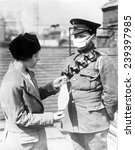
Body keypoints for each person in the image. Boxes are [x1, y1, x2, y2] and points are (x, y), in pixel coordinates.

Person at [0, 33, 66, 150]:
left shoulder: (25, 73)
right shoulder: (10, 82)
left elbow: (30, 98)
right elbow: (19, 118)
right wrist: (52, 117)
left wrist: (51, 86)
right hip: (22, 142)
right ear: (25, 56)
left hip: (33, 138)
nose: (38, 58)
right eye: (36, 56)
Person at [61, 18, 118, 150]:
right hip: (73, 121)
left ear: (92, 36)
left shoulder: (103, 60)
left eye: (82, 35)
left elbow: (112, 94)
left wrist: (104, 117)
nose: (77, 38)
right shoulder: (70, 60)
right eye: (75, 35)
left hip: (94, 122)